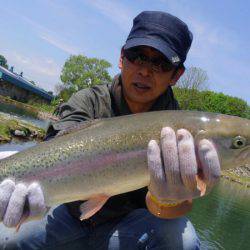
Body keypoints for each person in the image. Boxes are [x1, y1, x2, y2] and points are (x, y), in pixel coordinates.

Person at [0, 11, 220, 249]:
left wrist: (164, 199)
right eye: (137, 56)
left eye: (161, 63)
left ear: (176, 75)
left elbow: (182, 206)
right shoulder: (88, 100)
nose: (145, 71)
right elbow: (53, 146)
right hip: (68, 216)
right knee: (9, 238)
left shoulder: (183, 131)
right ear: (121, 57)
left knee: (183, 240)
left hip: (128, 231)